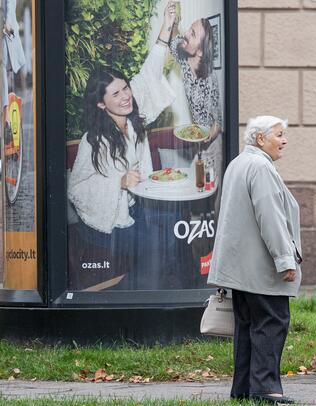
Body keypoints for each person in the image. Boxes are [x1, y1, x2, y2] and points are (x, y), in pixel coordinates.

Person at [67, 1, 178, 290]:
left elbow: (149, 72)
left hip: (135, 207)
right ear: (102, 104)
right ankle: (140, 298)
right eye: (116, 94)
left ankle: (156, 294)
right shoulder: (93, 141)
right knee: (157, 243)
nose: (126, 96)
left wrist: (166, 26)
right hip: (107, 220)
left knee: (173, 229)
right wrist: (118, 182)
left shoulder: (134, 117)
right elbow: (76, 188)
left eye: (125, 88)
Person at [208, 116, 301, 405]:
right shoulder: (261, 167)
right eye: (279, 135)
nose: (284, 140)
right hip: (260, 266)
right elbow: (270, 217)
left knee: (248, 326)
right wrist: (285, 259)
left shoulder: (239, 163)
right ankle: (265, 388)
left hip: (240, 266)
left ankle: (244, 388)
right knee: (272, 323)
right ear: (260, 139)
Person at [168, 17, 222, 176]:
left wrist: (210, 134)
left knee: (211, 192)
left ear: (200, 51)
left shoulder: (210, 77)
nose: (187, 33)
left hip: (213, 144)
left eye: (192, 34)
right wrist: (175, 23)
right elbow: (174, 39)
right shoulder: (183, 60)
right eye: (189, 29)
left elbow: (218, 120)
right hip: (197, 142)